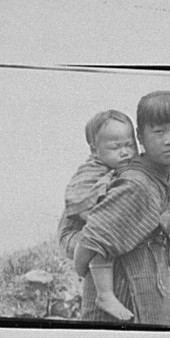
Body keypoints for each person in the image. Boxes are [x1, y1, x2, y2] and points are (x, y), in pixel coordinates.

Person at [72, 90, 170, 325]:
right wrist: (81, 266)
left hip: (146, 282)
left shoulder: (160, 171)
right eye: (159, 131)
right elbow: (93, 237)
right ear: (140, 137)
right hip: (122, 298)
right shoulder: (137, 183)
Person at [58, 110, 138, 320]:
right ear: (95, 150)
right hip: (73, 235)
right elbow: (76, 202)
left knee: (105, 234)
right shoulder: (89, 172)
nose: (125, 152)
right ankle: (105, 295)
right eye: (115, 147)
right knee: (103, 237)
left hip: (90, 231)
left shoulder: (119, 169)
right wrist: (104, 226)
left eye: (129, 145)